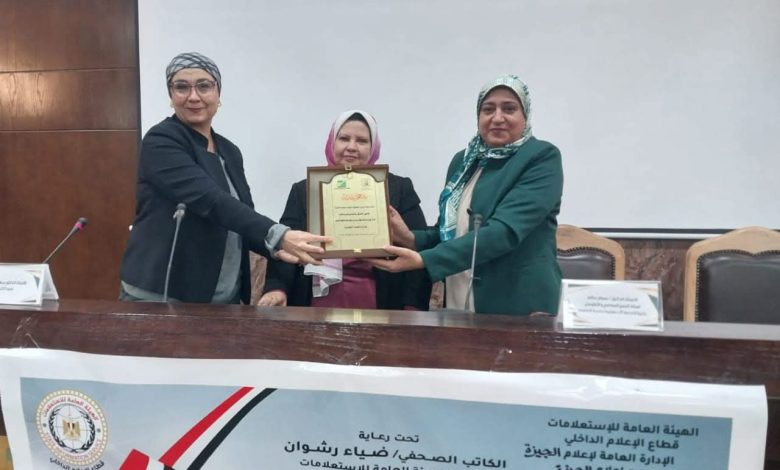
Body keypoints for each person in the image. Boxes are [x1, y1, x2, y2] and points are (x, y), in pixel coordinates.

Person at [120, 52, 328, 304]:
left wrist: (277, 248)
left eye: (204, 86)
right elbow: (210, 200)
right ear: (171, 96)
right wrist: (279, 236)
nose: (193, 96)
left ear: (218, 94)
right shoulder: (161, 140)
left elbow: (240, 215)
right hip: (163, 294)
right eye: (182, 87)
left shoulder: (229, 151)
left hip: (223, 296)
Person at [369, 75, 563, 315]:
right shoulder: (464, 162)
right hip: (459, 298)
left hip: (518, 305)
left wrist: (425, 260)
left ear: (525, 115)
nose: (497, 118)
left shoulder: (541, 157)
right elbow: (450, 231)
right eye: (488, 109)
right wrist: (410, 239)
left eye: (509, 109)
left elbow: (504, 232)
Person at [259, 110, 431, 310]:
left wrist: (412, 306)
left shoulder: (398, 189)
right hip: (315, 299)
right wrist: (277, 288)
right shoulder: (305, 190)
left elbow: (418, 249)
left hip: (382, 300)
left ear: (373, 147)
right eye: (344, 138)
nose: (351, 147)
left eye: (362, 141)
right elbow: (287, 244)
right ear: (332, 143)